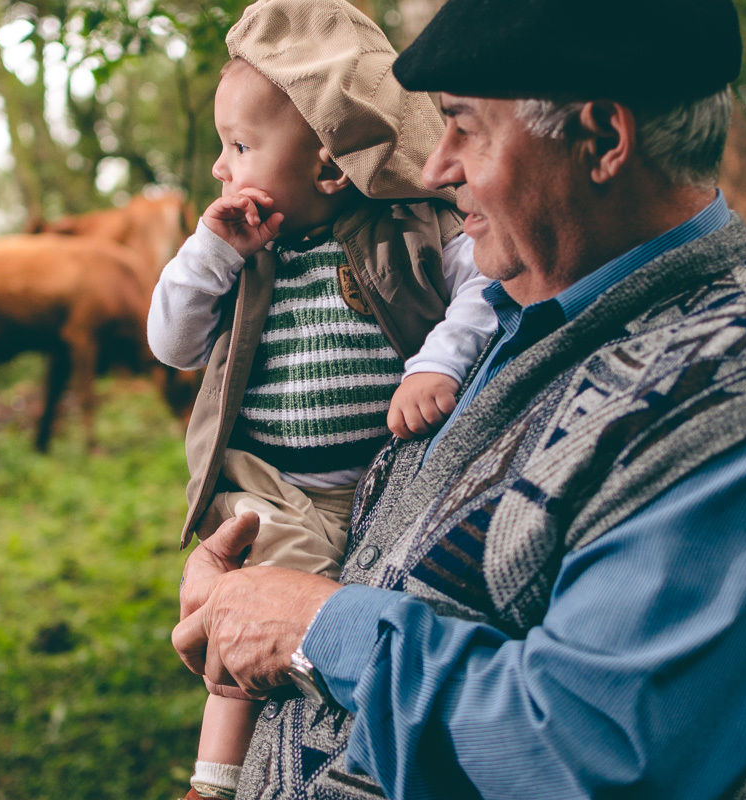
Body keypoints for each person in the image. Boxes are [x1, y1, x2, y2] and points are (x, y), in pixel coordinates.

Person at [171, 0, 746, 798]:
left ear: (601, 140)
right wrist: (245, 593)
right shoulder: (503, 309)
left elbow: (591, 755)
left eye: (464, 126)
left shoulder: (729, 392)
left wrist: (315, 628)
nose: (433, 167)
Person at [147, 2, 496, 798]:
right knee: (252, 605)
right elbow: (171, 344)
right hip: (280, 483)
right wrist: (209, 253)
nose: (220, 168)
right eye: (221, 146)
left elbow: (479, 291)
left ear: (330, 168)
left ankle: (356, 755)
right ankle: (216, 778)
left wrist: (433, 366)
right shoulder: (238, 251)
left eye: (239, 147)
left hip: (386, 474)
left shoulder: (411, 228)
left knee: (365, 611)